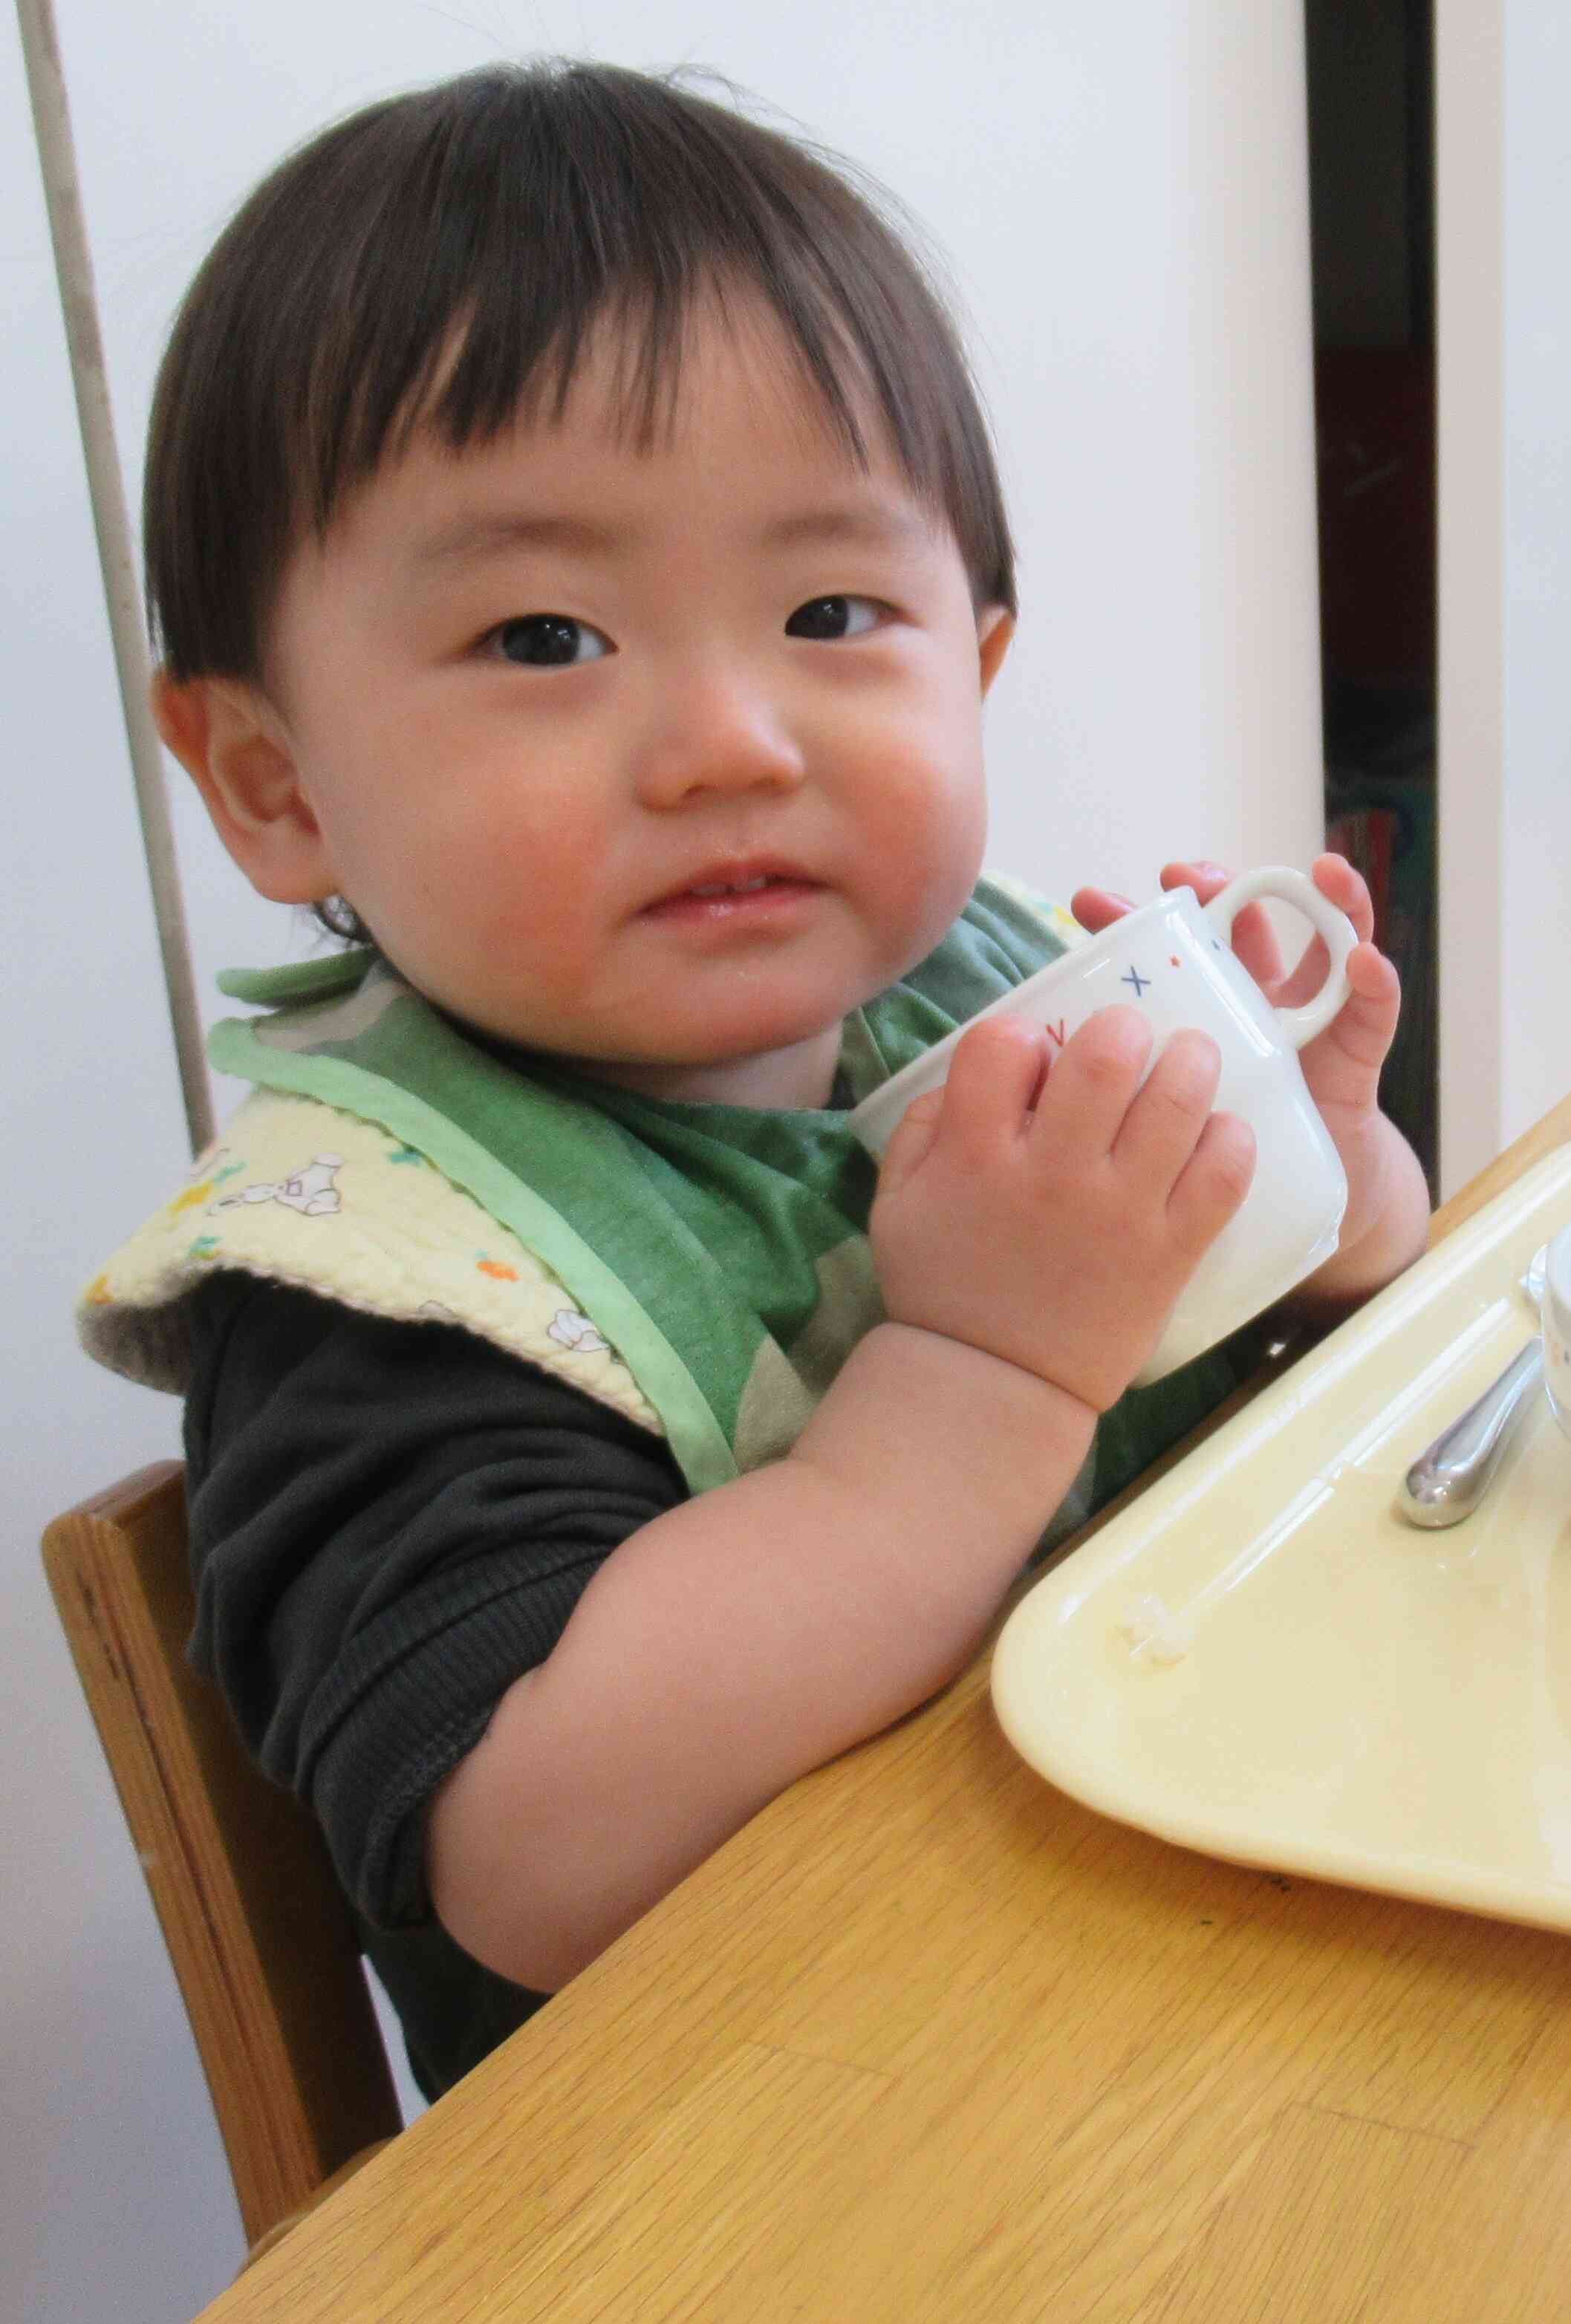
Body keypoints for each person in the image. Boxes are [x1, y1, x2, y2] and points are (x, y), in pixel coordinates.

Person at [74, 59, 1431, 2097]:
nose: (727, 738)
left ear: (969, 665)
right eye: (544, 635)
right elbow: (535, 1854)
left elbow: (1297, 1430)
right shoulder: (388, 1278)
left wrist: (1323, 1196)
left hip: (1177, 1995)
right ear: (277, 785)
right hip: (759, 2167)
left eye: (826, 612)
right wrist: (980, 1373)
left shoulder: (983, 1001)